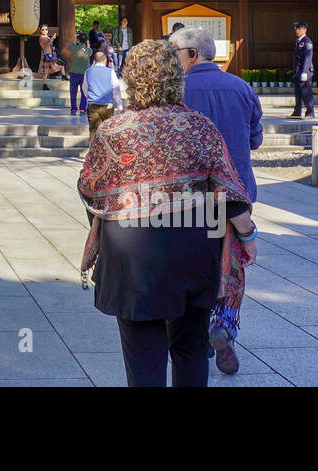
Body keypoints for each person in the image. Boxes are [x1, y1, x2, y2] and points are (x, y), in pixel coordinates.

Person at [78, 39, 256, 387]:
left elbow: (89, 187)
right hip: (192, 245)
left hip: (129, 251)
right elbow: (229, 193)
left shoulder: (112, 131)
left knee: (143, 356)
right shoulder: (199, 126)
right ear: (176, 77)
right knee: (190, 349)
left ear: (130, 79)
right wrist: (247, 236)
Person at [170, 26, 265, 374]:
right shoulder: (241, 87)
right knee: (232, 264)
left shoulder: (177, 90)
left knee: (195, 266)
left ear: (192, 54)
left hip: (192, 198)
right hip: (239, 194)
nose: (173, 60)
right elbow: (255, 140)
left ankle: (197, 335)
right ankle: (223, 324)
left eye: (175, 53)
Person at [82, 50, 123, 142]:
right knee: (108, 130)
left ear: (94, 60)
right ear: (105, 60)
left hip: (92, 104)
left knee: (93, 130)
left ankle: (92, 154)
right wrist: (120, 106)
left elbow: (84, 88)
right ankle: (107, 152)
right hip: (107, 105)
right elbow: (116, 89)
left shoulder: (88, 71)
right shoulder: (110, 72)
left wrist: (89, 97)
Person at [291, 21, 315, 118]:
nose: (297, 30)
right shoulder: (299, 41)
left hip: (304, 71)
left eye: (299, 28)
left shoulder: (307, 41)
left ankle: (310, 112)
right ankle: (297, 111)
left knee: (306, 92)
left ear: (305, 30)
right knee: (298, 92)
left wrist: (305, 71)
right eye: (296, 28)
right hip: (298, 70)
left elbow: (308, 57)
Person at [66, 31, 92, 115]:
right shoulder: (89, 51)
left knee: (73, 92)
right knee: (84, 92)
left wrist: (75, 41)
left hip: (74, 72)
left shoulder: (73, 47)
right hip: (84, 74)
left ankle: (73, 109)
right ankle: (82, 109)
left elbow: (69, 46)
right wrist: (87, 44)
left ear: (78, 40)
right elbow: (89, 49)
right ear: (86, 41)